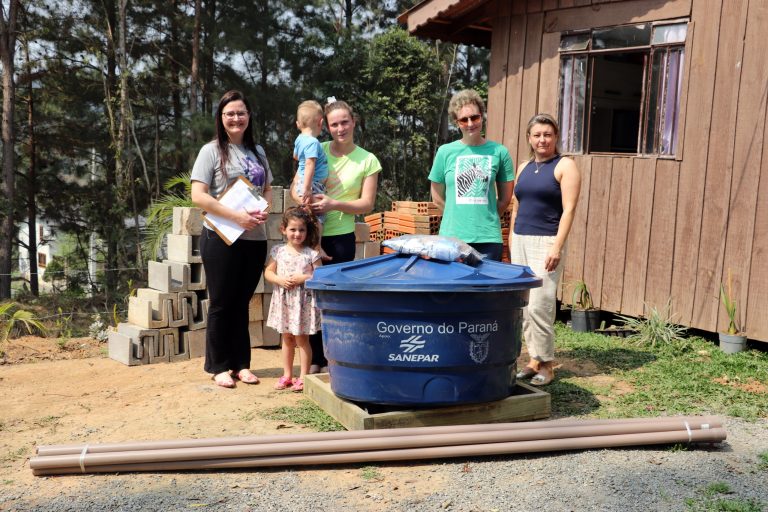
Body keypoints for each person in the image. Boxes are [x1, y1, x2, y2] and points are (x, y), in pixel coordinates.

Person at [190, 90, 273, 388]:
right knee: (222, 302)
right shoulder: (210, 151)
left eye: (240, 113)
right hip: (221, 237)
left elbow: (268, 189)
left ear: (249, 117)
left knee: (242, 303)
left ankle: (242, 364)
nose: (236, 118)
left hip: (254, 238)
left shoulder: (259, 152)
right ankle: (218, 365)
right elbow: (198, 195)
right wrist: (236, 217)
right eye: (229, 114)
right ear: (221, 119)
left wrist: (265, 209)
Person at [292, 99, 382, 373]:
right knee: (311, 298)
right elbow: (297, 186)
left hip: (341, 238)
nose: (340, 128)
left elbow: (366, 204)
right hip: (309, 237)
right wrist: (303, 199)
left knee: (336, 299)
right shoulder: (314, 149)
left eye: (345, 122)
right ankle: (316, 357)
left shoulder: (368, 160)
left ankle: (337, 357)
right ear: (325, 126)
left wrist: (333, 204)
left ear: (353, 122)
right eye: (334, 124)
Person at [510, 113, 581, 386]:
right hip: (521, 240)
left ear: (556, 137)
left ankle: (547, 365)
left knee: (540, 303)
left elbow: (569, 210)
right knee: (525, 305)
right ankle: (533, 361)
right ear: (529, 138)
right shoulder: (524, 166)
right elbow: (516, 207)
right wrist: (512, 240)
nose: (543, 140)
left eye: (548, 135)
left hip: (547, 242)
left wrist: (557, 247)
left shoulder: (565, 166)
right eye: (537, 135)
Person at [429, 89, 515, 261]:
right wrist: (459, 216)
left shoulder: (500, 152)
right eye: (463, 119)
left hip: (488, 240)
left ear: (482, 117)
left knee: (483, 287)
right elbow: (437, 198)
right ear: (456, 122)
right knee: (452, 288)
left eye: (474, 117)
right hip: (451, 239)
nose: (470, 123)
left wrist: (484, 217)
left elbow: (505, 199)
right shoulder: (445, 152)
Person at [264, 207, 322, 392]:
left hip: (302, 303)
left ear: (307, 231)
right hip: (284, 302)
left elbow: (320, 275)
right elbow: (268, 272)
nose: (297, 234)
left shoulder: (311, 254)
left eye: (301, 230)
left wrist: (303, 278)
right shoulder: (278, 251)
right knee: (287, 338)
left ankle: (303, 376)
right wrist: (279, 280)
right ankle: (287, 375)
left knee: (302, 340)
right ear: (283, 229)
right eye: (293, 229)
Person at [293, 100, 329, 233]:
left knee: (308, 214)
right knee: (319, 216)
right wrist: (307, 188)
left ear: (298, 124)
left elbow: (295, 156)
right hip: (312, 184)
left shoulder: (299, 139)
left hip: (304, 181)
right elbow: (309, 164)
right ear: (320, 123)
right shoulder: (313, 142)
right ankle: (317, 244)